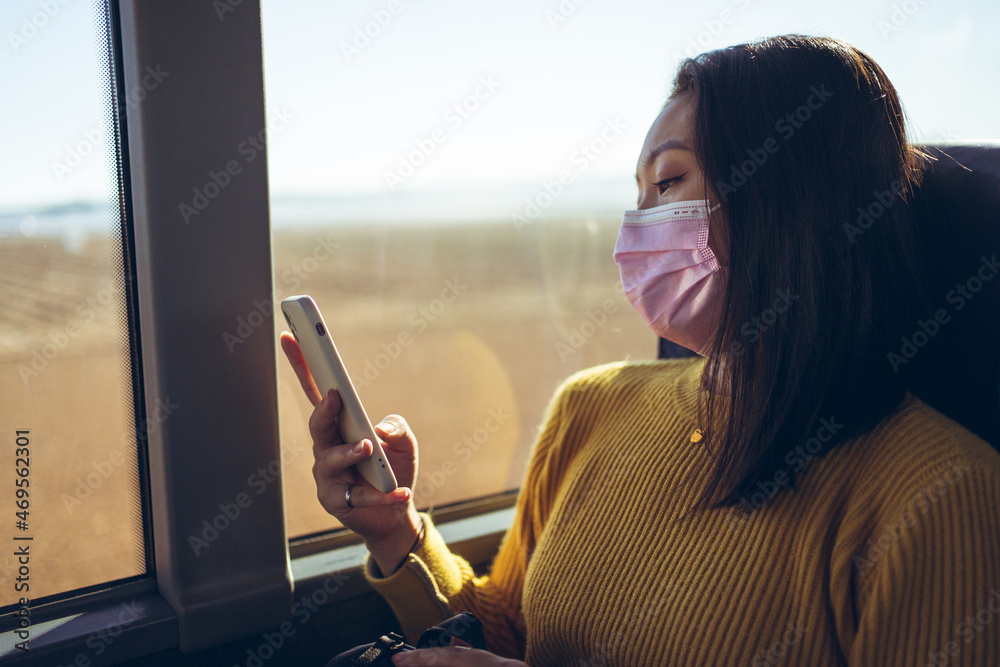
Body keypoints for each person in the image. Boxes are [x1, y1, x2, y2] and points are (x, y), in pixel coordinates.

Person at [281, 34, 1000, 666]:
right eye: (638, 190)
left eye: (670, 181)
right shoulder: (591, 407)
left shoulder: (941, 496)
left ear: (789, 202)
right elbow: (509, 634)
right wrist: (395, 530)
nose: (639, 223)